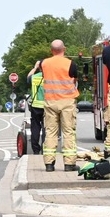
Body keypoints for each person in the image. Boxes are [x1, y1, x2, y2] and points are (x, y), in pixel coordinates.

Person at [41, 39, 79, 172]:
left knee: (51, 132)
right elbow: (75, 79)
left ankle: (49, 164)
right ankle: (69, 164)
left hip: (50, 101)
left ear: (51, 50)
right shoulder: (71, 64)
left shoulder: (44, 63)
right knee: (68, 132)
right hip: (67, 102)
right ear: (64, 49)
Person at [27, 61, 46, 155]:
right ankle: (45, 148)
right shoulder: (50, 77)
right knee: (46, 128)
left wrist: (35, 67)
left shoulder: (34, 77)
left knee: (35, 128)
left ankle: (35, 149)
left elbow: (28, 77)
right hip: (47, 107)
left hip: (35, 107)